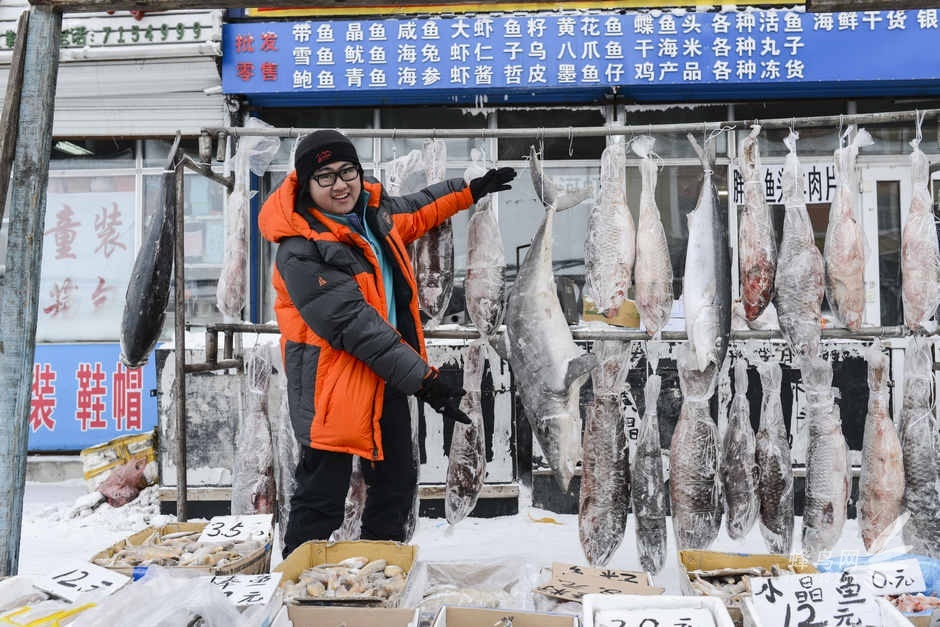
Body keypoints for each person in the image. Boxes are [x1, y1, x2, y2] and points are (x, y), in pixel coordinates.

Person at [258, 129, 516, 557]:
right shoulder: (300, 250)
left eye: (347, 172)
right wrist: (426, 381)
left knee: (396, 487)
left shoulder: (371, 216)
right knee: (322, 498)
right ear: (305, 185)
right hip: (333, 388)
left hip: (389, 380)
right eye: (325, 177)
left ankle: (379, 578)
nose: (340, 184)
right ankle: (295, 594)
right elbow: (355, 325)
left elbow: (418, 210)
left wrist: (470, 191)